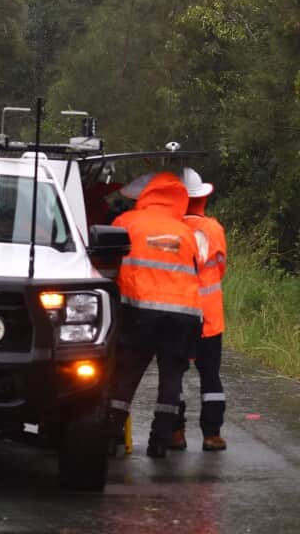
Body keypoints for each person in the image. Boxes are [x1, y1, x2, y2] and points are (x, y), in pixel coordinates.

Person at [106, 171, 203, 458]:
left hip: (139, 310)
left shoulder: (126, 222)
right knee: (171, 379)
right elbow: (196, 269)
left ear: (147, 194)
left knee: (126, 374)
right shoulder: (185, 232)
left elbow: (108, 264)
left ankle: (109, 438)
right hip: (183, 315)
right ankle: (160, 443)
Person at [172, 167, 229, 452]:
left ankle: (176, 433)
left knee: (173, 376)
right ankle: (212, 435)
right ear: (201, 198)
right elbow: (220, 269)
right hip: (209, 317)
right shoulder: (214, 229)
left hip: (178, 313)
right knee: (210, 375)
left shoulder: (169, 229)